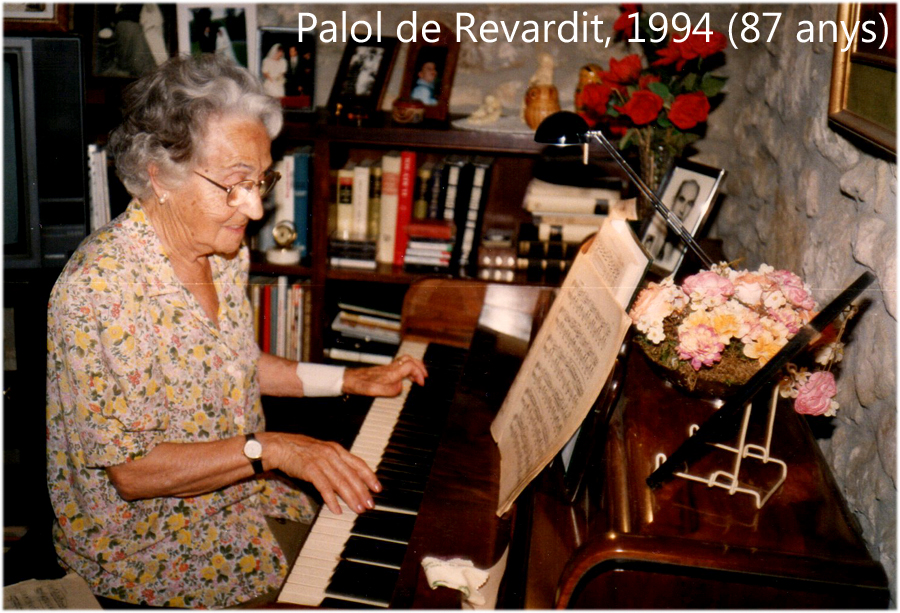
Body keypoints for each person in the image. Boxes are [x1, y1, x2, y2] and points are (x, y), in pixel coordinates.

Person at [45, 54, 428, 609]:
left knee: (396, 543)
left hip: (241, 502)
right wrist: (269, 449)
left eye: (260, 180)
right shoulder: (97, 292)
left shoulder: (221, 251)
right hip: (149, 548)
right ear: (160, 174)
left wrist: (352, 379)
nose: (253, 206)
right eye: (233, 184)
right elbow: (132, 472)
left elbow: (238, 362)